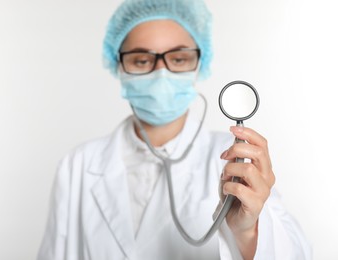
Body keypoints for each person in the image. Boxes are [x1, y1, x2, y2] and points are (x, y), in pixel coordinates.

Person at [37, 0, 311, 259]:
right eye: (142, 60)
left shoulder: (237, 160)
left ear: (198, 65)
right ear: (118, 66)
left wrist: (247, 231)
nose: (161, 73)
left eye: (178, 59)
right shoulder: (77, 166)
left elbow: (298, 253)